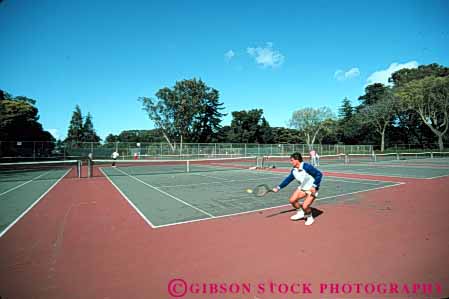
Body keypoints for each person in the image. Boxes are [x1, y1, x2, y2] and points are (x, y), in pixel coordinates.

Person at [272, 152, 323, 225]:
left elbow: (319, 174)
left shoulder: (307, 167)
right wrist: (278, 187)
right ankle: (300, 213)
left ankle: (309, 217)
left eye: (292, 160)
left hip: (312, 189)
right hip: (302, 188)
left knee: (305, 206)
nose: (291, 162)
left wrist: (314, 186)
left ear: (297, 160)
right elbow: (288, 180)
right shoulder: (294, 170)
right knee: (292, 200)